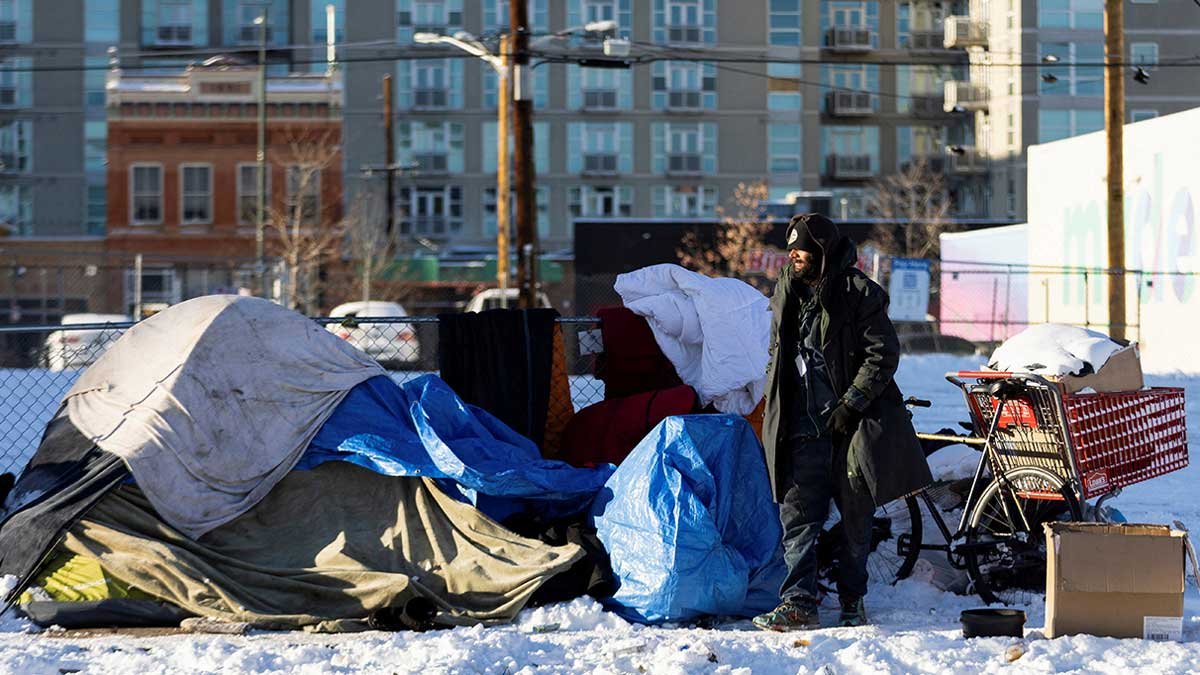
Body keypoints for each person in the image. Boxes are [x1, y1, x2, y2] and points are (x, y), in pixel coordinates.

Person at [753, 213, 932, 631]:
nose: (794, 256)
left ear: (822, 251)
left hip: (850, 428)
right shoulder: (786, 289)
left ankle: (853, 600)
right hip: (799, 428)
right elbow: (778, 349)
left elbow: (881, 354)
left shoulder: (858, 293)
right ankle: (799, 603)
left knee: (855, 518)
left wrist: (851, 404)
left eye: (803, 249)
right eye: (791, 248)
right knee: (797, 519)